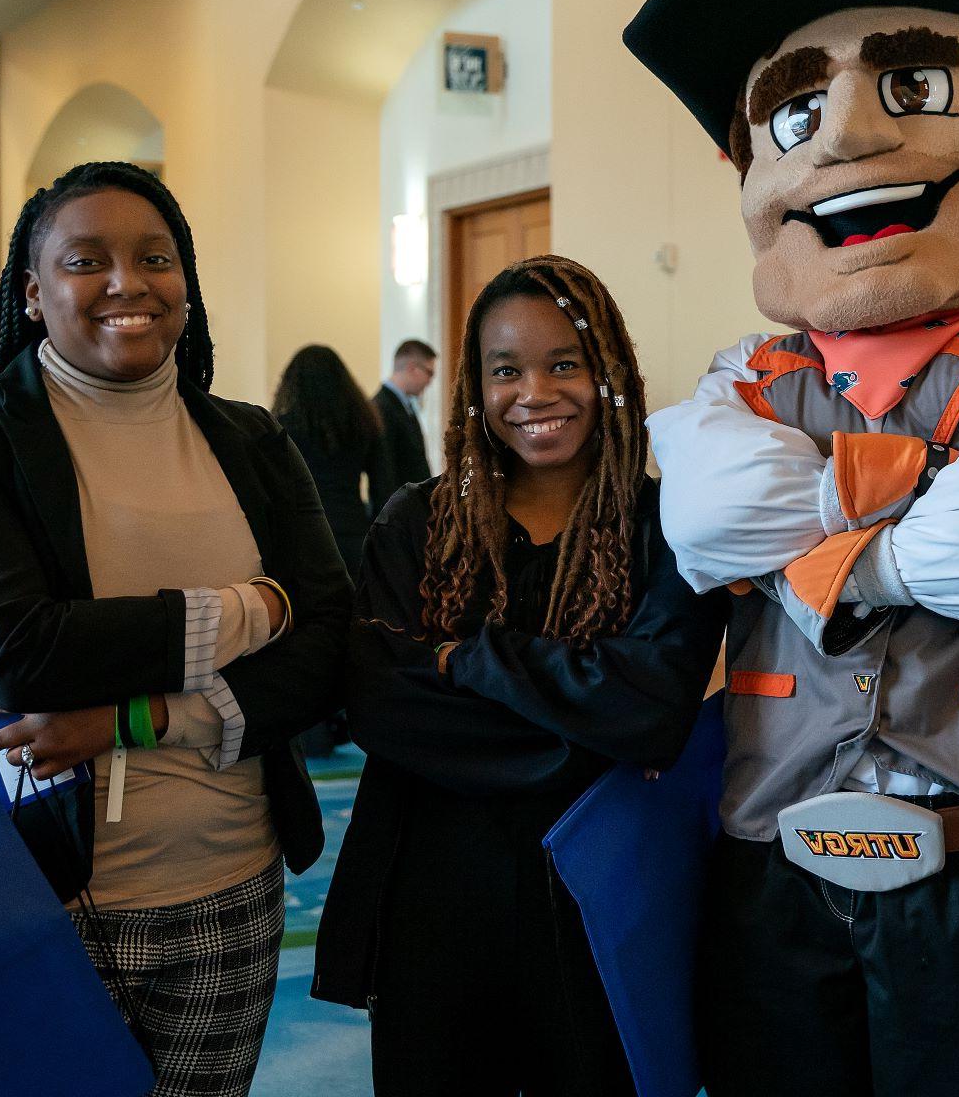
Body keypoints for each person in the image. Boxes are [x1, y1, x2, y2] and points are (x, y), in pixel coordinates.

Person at [627, 0, 959, 1097]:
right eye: (797, 107)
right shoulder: (743, 370)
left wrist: (835, 557)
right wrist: (918, 511)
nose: (844, 134)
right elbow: (709, 517)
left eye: (910, 87)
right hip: (774, 868)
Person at [0, 161, 351, 1097]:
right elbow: (17, 653)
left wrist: (130, 720)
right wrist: (251, 608)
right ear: (31, 290)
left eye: (157, 257)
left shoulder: (252, 440)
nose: (126, 282)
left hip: (233, 883)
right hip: (33, 894)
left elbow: (332, 644)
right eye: (85, 260)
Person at [312, 255, 728, 1097]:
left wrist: (466, 658)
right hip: (430, 896)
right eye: (506, 370)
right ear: (476, 386)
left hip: (599, 894)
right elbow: (379, 706)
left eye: (563, 364)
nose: (534, 392)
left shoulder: (668, 527)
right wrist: (579, 722)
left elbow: (652, 713)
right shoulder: (417, 523)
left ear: (607, 373)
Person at [274, 343, 387, 575]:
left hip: (304, 540)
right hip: (354, 533)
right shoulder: (363, 423)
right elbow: (383, 489)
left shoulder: (285, 429)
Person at [373, 337, 435, 497]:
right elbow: (384, 473)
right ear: (412, 368)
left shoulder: (404, 405)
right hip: (398, 512)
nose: (430, 381)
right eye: (430, 372)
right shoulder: (381, 407)